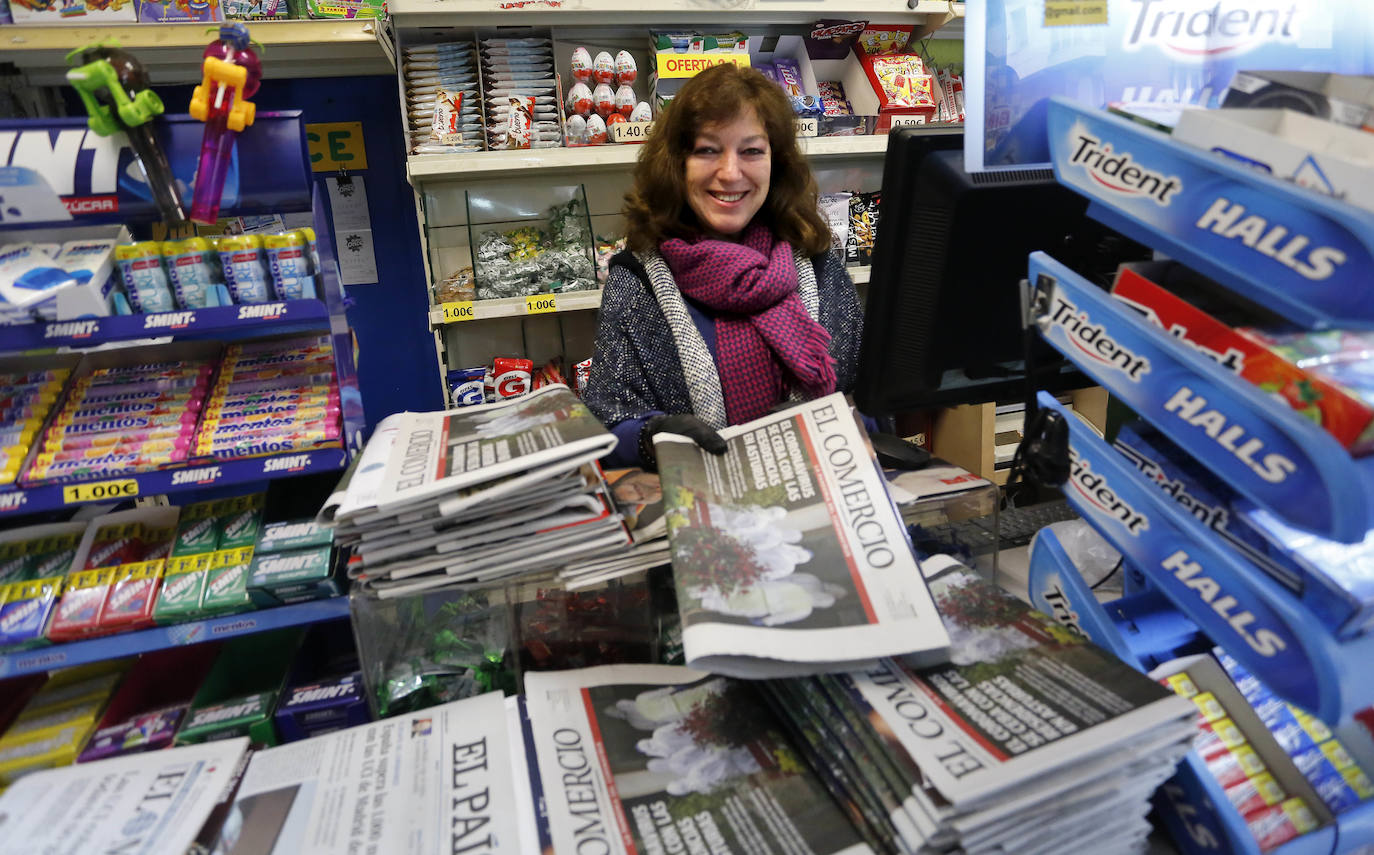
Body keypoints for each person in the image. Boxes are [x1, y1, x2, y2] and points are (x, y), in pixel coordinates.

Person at [582, 62, 864, 469]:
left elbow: (870, 402)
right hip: (698, 516)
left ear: (776, 162)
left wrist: (849, 422)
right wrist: (651, 437)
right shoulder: (637, 281)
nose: (730, 173)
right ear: (676, 163)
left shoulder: (820, 268)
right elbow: (605, 424)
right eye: (707, 150)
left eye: (751, 151)